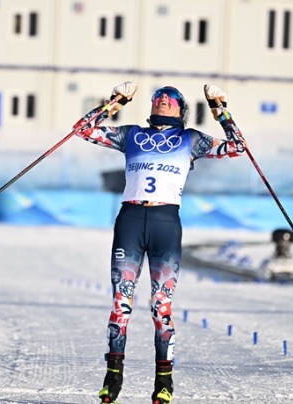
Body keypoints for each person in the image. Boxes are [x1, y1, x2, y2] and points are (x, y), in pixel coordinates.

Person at [73, 82, 245, 404]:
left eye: (171, 98)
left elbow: (238, 147)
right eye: (158, 97)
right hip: (131, 221)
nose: (164, 99)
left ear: (181, 109)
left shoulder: (190, 139)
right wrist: (115, 102)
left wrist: (219, 107)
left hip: (166, 223)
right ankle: (113, 378)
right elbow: (82, 130)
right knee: (120, 305)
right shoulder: (131, 134)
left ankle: (164, 382)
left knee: (160, 307)